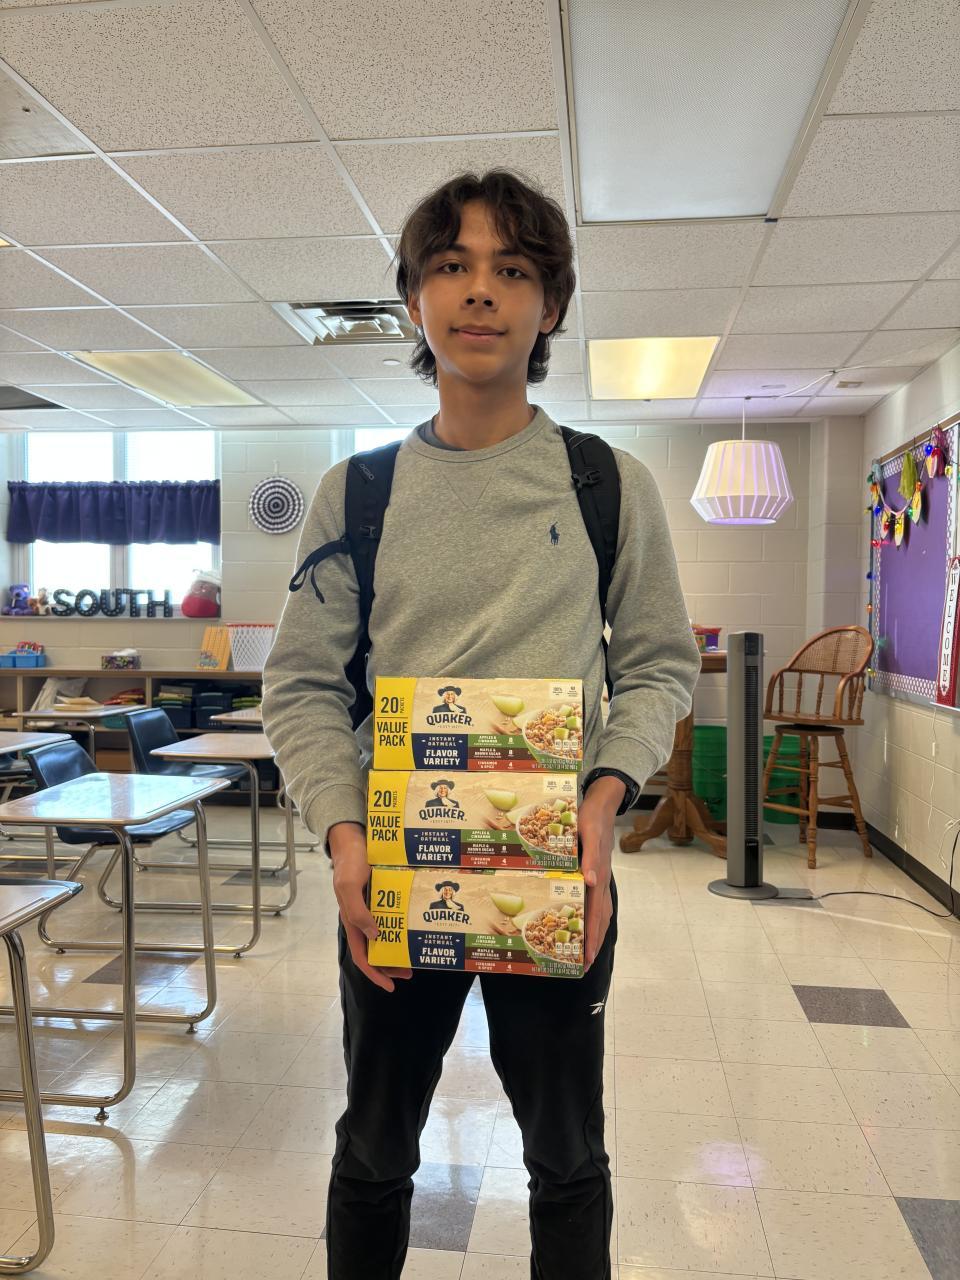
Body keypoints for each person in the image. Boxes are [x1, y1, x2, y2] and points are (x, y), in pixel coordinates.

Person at [262, 168, 701, 1280]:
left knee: (567, 1156)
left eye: (511, 268)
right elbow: (302, 683)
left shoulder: (607, 484)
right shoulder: (356, 493)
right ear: (414, 297)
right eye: (450, 264)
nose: (479, 290)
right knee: (373, 1150)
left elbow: (657, 662)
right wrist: (343, 836)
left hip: (554, 867)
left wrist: (605, 803)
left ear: (550, 305)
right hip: (393, 868)